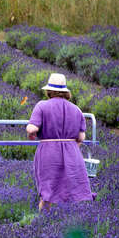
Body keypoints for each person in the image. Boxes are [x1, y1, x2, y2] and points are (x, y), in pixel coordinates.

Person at [26, 73, 95, 212]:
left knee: (48, 191)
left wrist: (30, 132)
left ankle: (44, 222)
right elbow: (81, 137)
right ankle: (73, 223)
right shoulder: (76, 109)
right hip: (72, 152)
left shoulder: (42, 106)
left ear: (48, 91)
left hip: (49, 152)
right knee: (73, 188)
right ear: (65, 92)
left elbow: (33, 128)